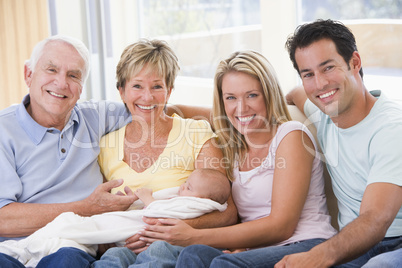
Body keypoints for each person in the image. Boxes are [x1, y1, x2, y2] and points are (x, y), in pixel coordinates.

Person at [117, 50, 337, 268]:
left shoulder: (291, 135)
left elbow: (282, 226)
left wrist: (192, 235)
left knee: (219, 262)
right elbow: (182, 111)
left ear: (268, 94)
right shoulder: (233, 148)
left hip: (305, 244)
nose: (241, 108)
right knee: (193, 256)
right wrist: (163, 110)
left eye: (252, 95)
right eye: (231, 97)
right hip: (256, 250)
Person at [92, 39, 237, 260]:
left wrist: (169, 232)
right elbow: (100, 216)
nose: (147, 97)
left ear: (169, 91)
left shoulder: (196, 133)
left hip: (176, 249)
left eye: (157, 86)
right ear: (122, 91)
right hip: (125, 248)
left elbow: (227, 212)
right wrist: (114, 240)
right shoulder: (105, 147)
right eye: (137, 86)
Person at [0, 35, 136, 268]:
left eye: (73, 75)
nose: (61, 83)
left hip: (70, 246)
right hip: (11, 249)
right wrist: (86, 208)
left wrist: (218, 111)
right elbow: (3, 220)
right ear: (28, 74)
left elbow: (149, 107)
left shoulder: (93, 116)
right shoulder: (4, 130)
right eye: (51, 69)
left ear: (82, 87)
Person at [276, 19, 402, 267]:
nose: (320, 84)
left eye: (328, 68)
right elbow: (295, 94)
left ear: (354, 62)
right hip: (353, 246)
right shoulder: (323, 112)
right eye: (308, 74)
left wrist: (317, 256)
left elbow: (376, 219)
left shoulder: (392, 128)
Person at [0, 168, 231, 268]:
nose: (182, 187)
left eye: (188, 186)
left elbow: (159, 214)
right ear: (121, 91)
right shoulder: (107, 128)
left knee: (71, 236)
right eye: (137, 86)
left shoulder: (198, 202)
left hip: (154, 239)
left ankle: (28, 248)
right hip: (118, 237)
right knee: (109, 251)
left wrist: (150, 202)